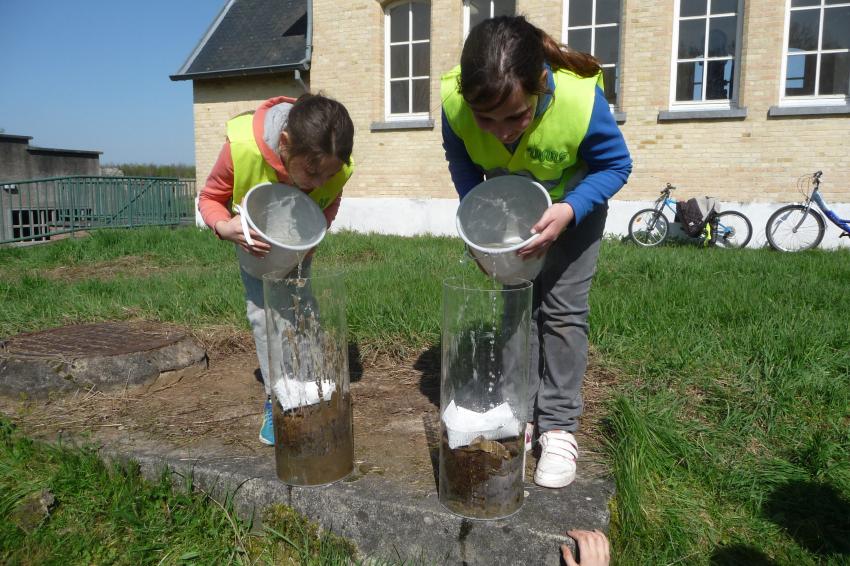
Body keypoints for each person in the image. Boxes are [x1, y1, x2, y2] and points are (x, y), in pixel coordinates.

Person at [441, 16, 632, 488]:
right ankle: (518, 412)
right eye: (487, 118)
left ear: (541, 84)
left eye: (516, 116)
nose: (501, 132)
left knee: (563, 314)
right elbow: (461, 158)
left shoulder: (579, 99)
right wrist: (475, 211)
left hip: (574, 212)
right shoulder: (454, 105)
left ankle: (560, 426)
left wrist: (570, 210)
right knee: (515, 311)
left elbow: (615, 164)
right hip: (509, 215)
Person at [198, 93, 354, 446]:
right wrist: (225, 228)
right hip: (256, 252)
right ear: (285, 144)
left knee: (303, 314)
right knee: (266, 320)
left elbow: (332, 198)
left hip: (299, 248)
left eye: (327, 173)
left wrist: (319, 230)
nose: (317, 182)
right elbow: (209, 198)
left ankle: (308, 392)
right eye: (311, 172)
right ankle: (279, 401)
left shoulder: (332, 164)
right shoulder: (242, 149)